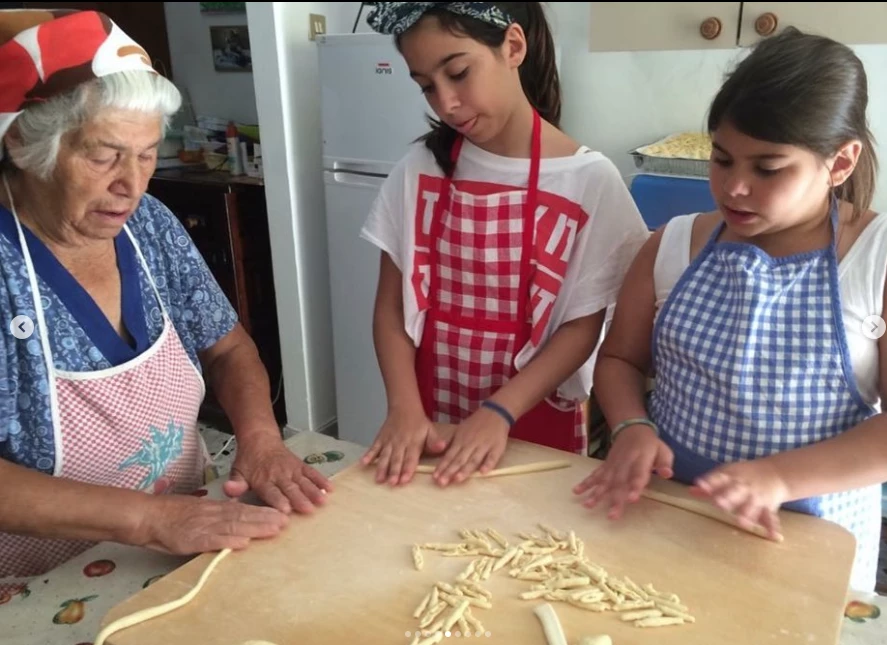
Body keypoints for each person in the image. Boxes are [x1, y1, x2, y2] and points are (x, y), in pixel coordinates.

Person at [0, 9, 332, 588]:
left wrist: (260, 441)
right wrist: (150, 520)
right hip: (41, 582)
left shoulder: (148, 224)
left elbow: (227, 349)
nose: (133, 184)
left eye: (148, 153)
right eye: (104, 155)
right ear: (26, 145)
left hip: (182, 542)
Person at [575, 27, 887, 592]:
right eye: (722, 159)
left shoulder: (874, 260)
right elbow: (618, 360)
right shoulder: (671, 245)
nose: (734, 188)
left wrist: (776, 477)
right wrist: (630, 425)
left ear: (840, 163)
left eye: (768, 169)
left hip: (810, 542)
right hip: (668, 514)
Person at [359, 3, 650, 488]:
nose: (445, 103)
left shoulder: (587, 180)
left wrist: (499, 411)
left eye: (458, 72)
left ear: (513, 47)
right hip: (429, 421)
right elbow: (391, 307)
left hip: (535, 421)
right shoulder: (420, 169)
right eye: (427, 85)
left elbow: (583, 326)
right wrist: (403, 408)